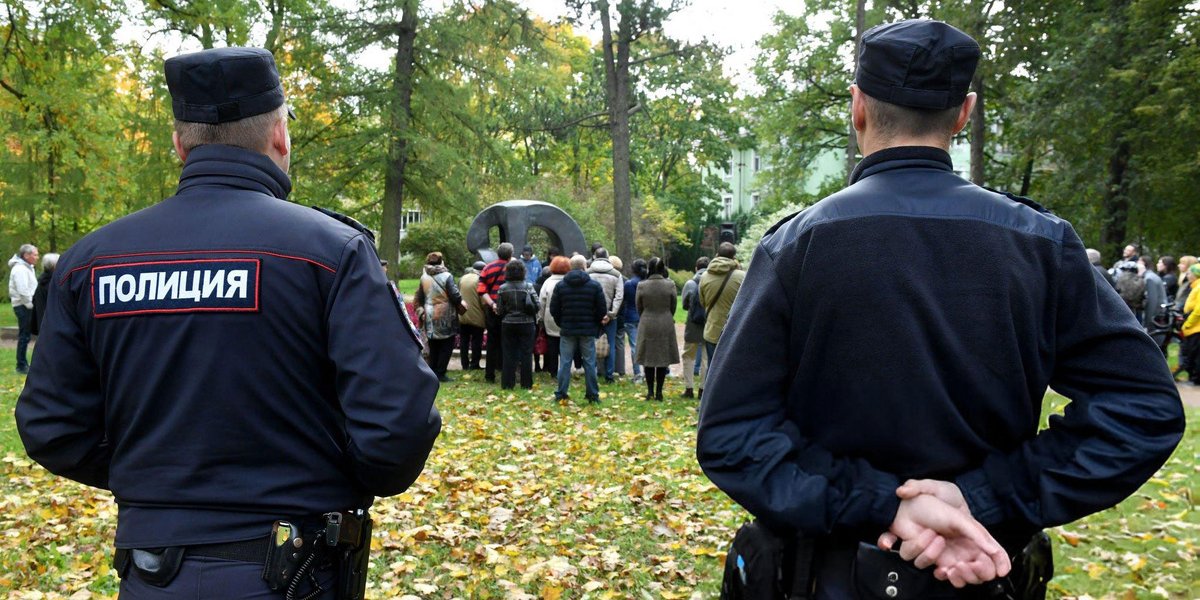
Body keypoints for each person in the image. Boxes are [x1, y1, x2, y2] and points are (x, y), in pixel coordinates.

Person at [696, 20, 1183, 598]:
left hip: (836, 575)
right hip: (972, 572)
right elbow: (1144, 408)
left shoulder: (797, 247)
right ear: (963, 114)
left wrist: (917, 502)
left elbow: (731, 432)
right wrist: (979, 496)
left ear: (857, 109)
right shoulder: (1039, 244)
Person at [15, 47, 442, 599]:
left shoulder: (91, 261)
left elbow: (52, 427)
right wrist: (320, 479)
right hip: (295, 572)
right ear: (280, 137)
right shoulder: (328, 252)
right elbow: (397, 426)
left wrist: (160, 484)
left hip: (153, 573)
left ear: (179, 144)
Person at [550, 255, 606, 403]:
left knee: (565, 362)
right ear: (584, 267)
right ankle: (592, 394)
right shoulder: (594, 286)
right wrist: (595, 325)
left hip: (568, 328)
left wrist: (561, 323)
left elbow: (554, 309)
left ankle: (561, 392)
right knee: (589, 362)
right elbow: (602, 309)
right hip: (587, 329)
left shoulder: (561, 285)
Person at [635, 257, 679, 400]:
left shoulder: (642, 285)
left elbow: (639, 306)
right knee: (662, 357)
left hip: (647, 321)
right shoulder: (670, 284)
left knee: (648, 358)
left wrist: (645, 316)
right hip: (665, 321)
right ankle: (659, 392)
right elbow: (673, 305)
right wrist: (667, 314)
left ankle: (650, 391)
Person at [415, 251, 464, 382]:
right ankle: (441, 373)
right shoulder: (447, 276)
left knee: (433, 343)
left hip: (430, 313)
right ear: (441, 261)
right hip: (445, 314)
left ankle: (433, 371)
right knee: (447, 344)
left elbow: (420, 297)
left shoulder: (423, 277)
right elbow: (455, 295)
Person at [698, 242, 744, 364]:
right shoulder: (742, 277)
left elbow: (702, 302)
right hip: (734, 331)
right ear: (734, 258)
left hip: (712, 331)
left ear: (717, 255)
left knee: (712, 369)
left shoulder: (705, 276)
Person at [496, 259, 539, 390]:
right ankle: (526, 384)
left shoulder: (502, 289)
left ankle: (508, 383)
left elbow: (499, 310)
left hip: (508, 323)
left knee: (508, 354)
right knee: (526, 353)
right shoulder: (528, 286)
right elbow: (537, 306)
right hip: (527, 323)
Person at [477, 242, 513, 383]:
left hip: (493, 310)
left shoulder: (488, 268)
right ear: (510, 254)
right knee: (508, 341)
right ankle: (505, 371)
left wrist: (492, 304)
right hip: (509, 310)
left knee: (492, 343)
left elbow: (481, 290)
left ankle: (489, 374)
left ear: (497, 254)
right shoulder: (513, 269)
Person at [587, 247, 624, 382]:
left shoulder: (588, 273)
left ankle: (593, 373)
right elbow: (619, 296)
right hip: (610, 317)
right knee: (611, 344)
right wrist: (611, 314)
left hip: (592, 316)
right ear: (608, 257)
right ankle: (609, 375)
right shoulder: (615, 274)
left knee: (591, 344)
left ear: (594, 257)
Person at [680, 256, 709, 399]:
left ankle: (689, 388)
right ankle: (703, 389)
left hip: (692, 323)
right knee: (705, 357)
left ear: (696, 268)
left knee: (688, 355)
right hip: (708, 322)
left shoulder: (690, 283)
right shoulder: (711, 281)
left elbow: (685, 305)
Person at [538, 256, 570, 380]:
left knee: (552, 345)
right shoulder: (568, 282)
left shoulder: (547, 282)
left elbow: (541, 302)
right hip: (566, 318)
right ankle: (565, 369)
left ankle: (553, 371)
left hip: (550, 318)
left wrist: (540, 318)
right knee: (566, 345)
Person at [8, 244, 38, 373]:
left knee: (26, 335)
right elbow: (23, 291)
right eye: (35, 254)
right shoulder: (20, 269)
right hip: (23, 306)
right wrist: (31, 306)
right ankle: (21, 365)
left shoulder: (27, 267)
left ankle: (23, 363)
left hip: (26, 305)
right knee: (24, 336)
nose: (37, 257)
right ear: (26, 255)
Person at [617, 258, 646, 383]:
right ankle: (647, 372)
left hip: (630, 317)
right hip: (644, 317)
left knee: (634, 346)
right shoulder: (646, 283)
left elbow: (625, 301)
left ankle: (637, 373)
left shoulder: (629, 284)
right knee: (645, 346)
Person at [459, 261, 487, 370]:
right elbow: (483, 301)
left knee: (464, 341)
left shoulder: (463, 278)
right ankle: (474, 364)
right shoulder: (480, 280)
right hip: (477, 316)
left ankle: (464, 364)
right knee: (476, 341)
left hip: (462, 315)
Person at [1180, 264, 1200, 386]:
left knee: (1196, 354)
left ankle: (1196, 379)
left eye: (1189, 273)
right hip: (1194, 326)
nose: (1187, 275)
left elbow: (1198, 309)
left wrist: (1188, 323)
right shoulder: (1195, 286)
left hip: (1196, 327)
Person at [31, 252, 59, 337]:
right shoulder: (54, 283)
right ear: (54, 265)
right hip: (53, 326)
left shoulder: (42, 282)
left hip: (43, 325)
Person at [1138, 255, 1166, 332]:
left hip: (1155, 315)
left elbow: (1152, 301)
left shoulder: (1149, 278)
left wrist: (1147, 323)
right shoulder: (1151, 276)